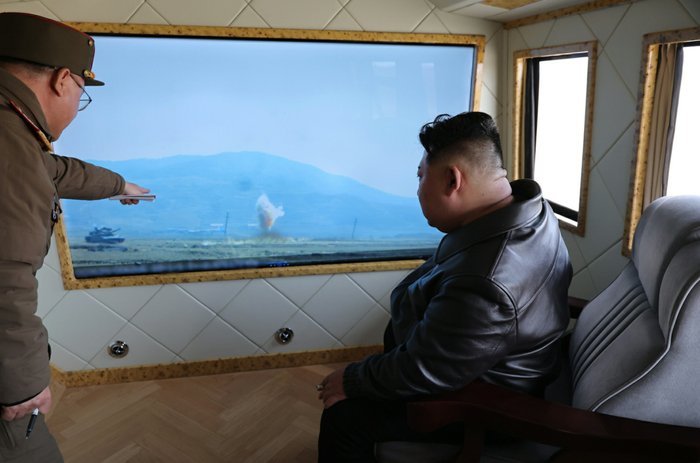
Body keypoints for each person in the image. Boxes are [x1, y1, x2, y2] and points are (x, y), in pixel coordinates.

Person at [316, 112, 572, 462]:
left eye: (420, 176)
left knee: (342, 419)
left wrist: (353, 379)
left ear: (453, 180)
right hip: (489, 365)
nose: (418, 189)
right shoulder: (532, 211)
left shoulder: (484, 283)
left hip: (487, 403)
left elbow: (426, 369)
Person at [0, 12, 149, 461]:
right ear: (62, 80)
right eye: (82, 92)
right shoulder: (9, 142)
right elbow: (6, 277)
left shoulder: (11, 129)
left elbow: (53, 169)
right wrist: (23, 385)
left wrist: (119, 185)